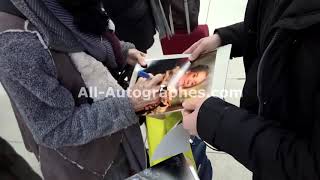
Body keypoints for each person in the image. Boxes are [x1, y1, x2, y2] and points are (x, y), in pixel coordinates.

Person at [0, 0, 163, 179]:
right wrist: (129, 105)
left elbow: (81, 38)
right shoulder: (16, 43)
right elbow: (55, 129)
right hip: (90, 163)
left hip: (118, 134)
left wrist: (121, 52)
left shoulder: (60, 6)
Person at [182, 0, 320, 179]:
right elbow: (277, 25)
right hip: (264, 141)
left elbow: (310, 167)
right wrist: (225, 38)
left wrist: (215, 120)